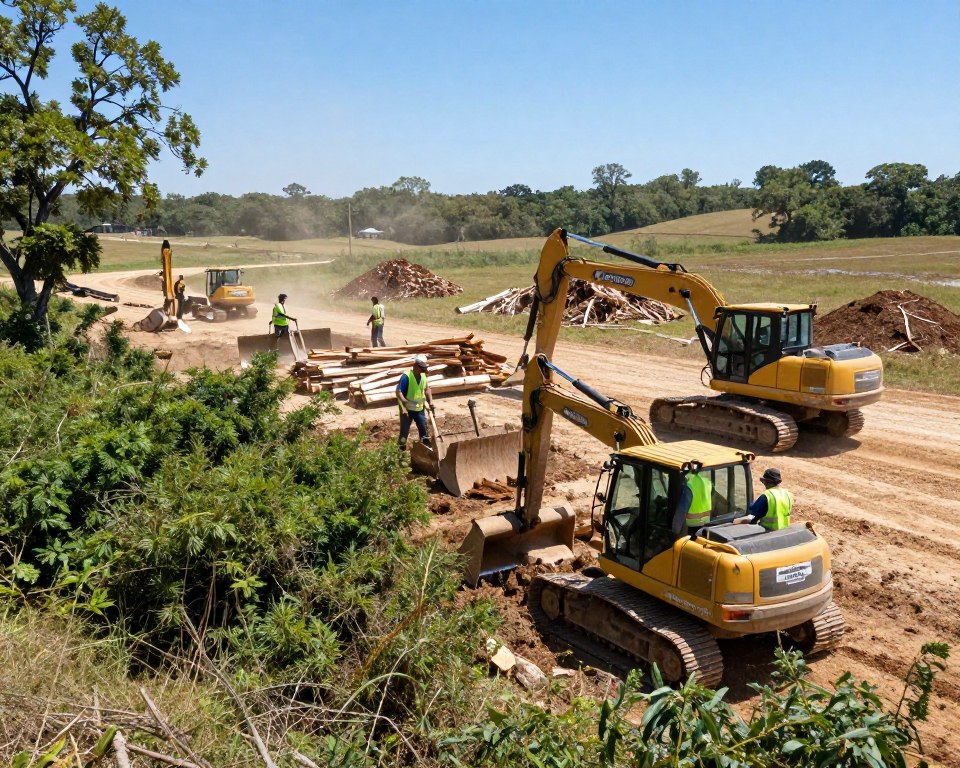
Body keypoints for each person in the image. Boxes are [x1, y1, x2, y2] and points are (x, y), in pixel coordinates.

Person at [396, 354, 434, 450]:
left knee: (423, 428)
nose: (423, 370)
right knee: (404, 430)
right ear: (415, 365)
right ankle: (401, 449)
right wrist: (404, 402)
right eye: (422, 368)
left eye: (424, 368)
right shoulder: (406, 376)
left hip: (419, 408)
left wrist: (431, 402)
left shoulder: (423, 376)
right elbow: (398, 391)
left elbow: (427, 389)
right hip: (406, 408)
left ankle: (425, 447)